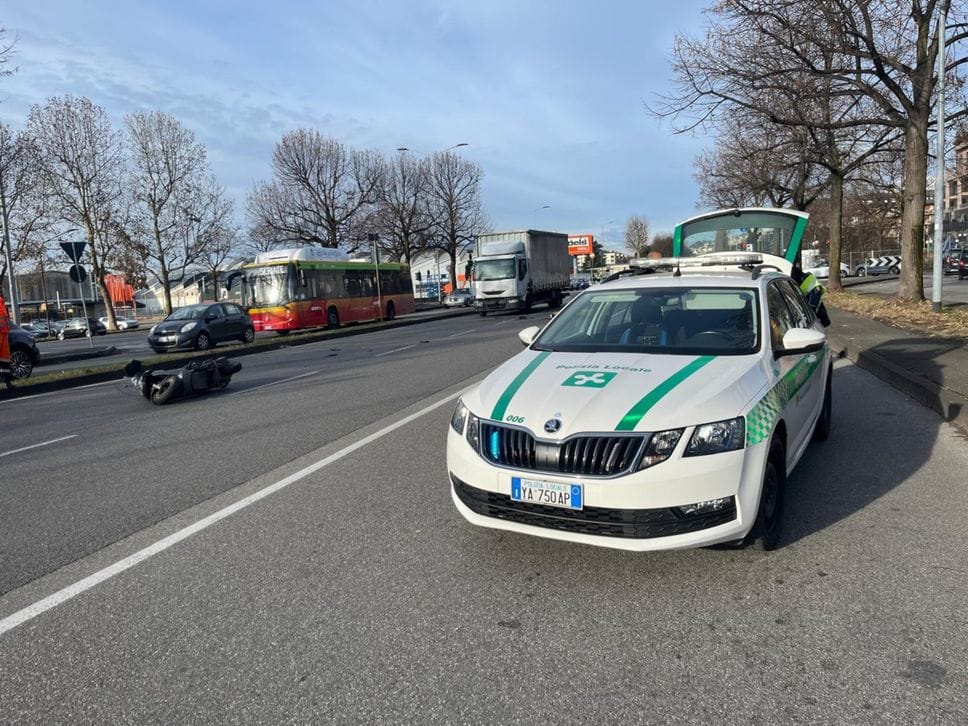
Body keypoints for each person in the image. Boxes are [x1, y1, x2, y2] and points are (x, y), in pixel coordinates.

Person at [0, 293, 12, 388]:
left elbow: (4, 317)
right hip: (2, 332)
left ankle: (6, 382)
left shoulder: (1, 300)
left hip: (4, 333)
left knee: (5, 359)